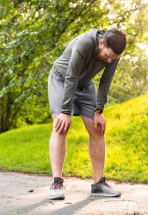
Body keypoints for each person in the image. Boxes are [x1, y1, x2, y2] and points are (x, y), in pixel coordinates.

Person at [47, 28, 127, 200]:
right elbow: (71, 76)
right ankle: (56, 183)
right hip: (62, 80)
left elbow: (105, 81)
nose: (109, 60)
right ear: (101, 43)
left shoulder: (114, 53)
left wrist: (99, 110)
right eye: (107, 56)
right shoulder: (84, 43)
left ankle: (99, 184)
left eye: (113, 58)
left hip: (84, 85)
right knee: (61, 127)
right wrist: (65, 111)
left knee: (97, 128)